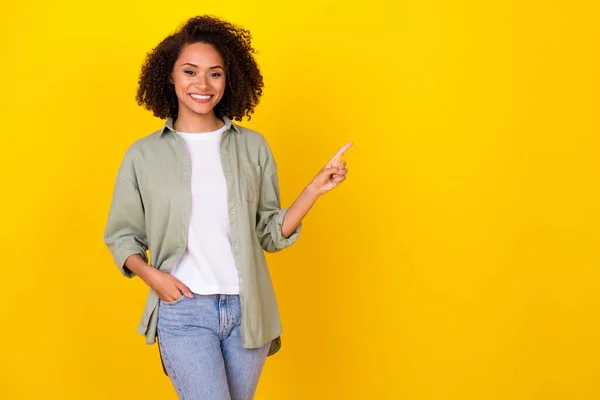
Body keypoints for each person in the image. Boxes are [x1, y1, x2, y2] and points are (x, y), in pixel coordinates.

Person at [103, 15, 352, 400]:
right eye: (190, 71)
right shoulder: (143, 155)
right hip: (184, 311)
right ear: (170, 76)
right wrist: (151, 276)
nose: (202, 85)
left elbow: (269, 233)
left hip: (247, 310)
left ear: (228, 79)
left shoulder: (253, 146)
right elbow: (122, 236)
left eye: (214, 74)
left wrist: (313, 190)